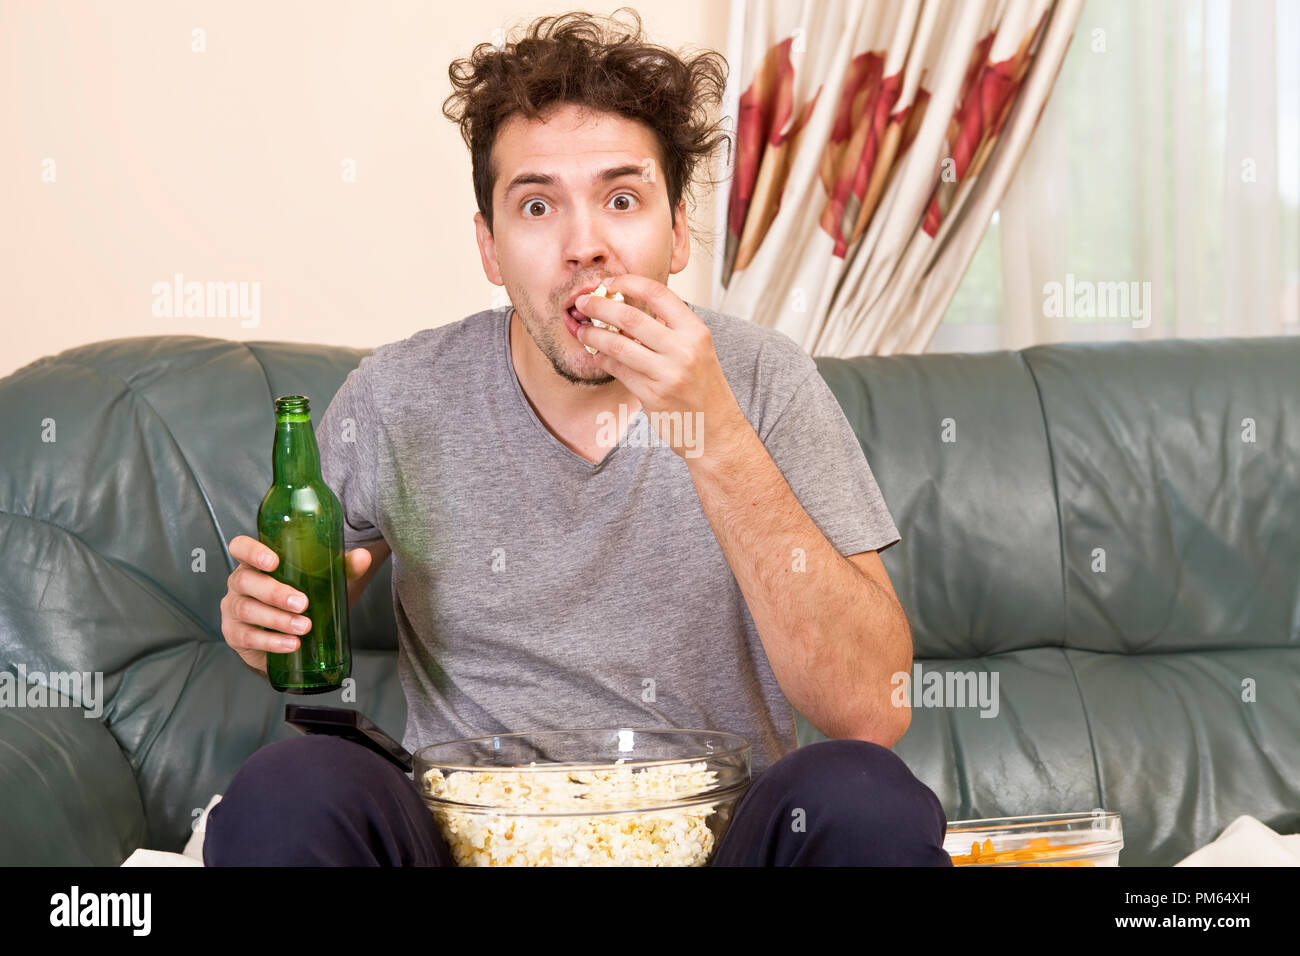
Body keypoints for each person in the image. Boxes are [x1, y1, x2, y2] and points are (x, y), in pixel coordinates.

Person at [208, 8, 950, 867]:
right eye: (536, 206)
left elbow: (872, 710)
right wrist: (268, 621)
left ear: (677, 231)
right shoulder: (398, 395)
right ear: (489, 247)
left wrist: (712, 434)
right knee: (283, 789)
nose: (584, 246)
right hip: (466, 842)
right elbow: (296, 623)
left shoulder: (765, 380)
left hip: (714, 844)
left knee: (864, 798)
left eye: (623, 199)